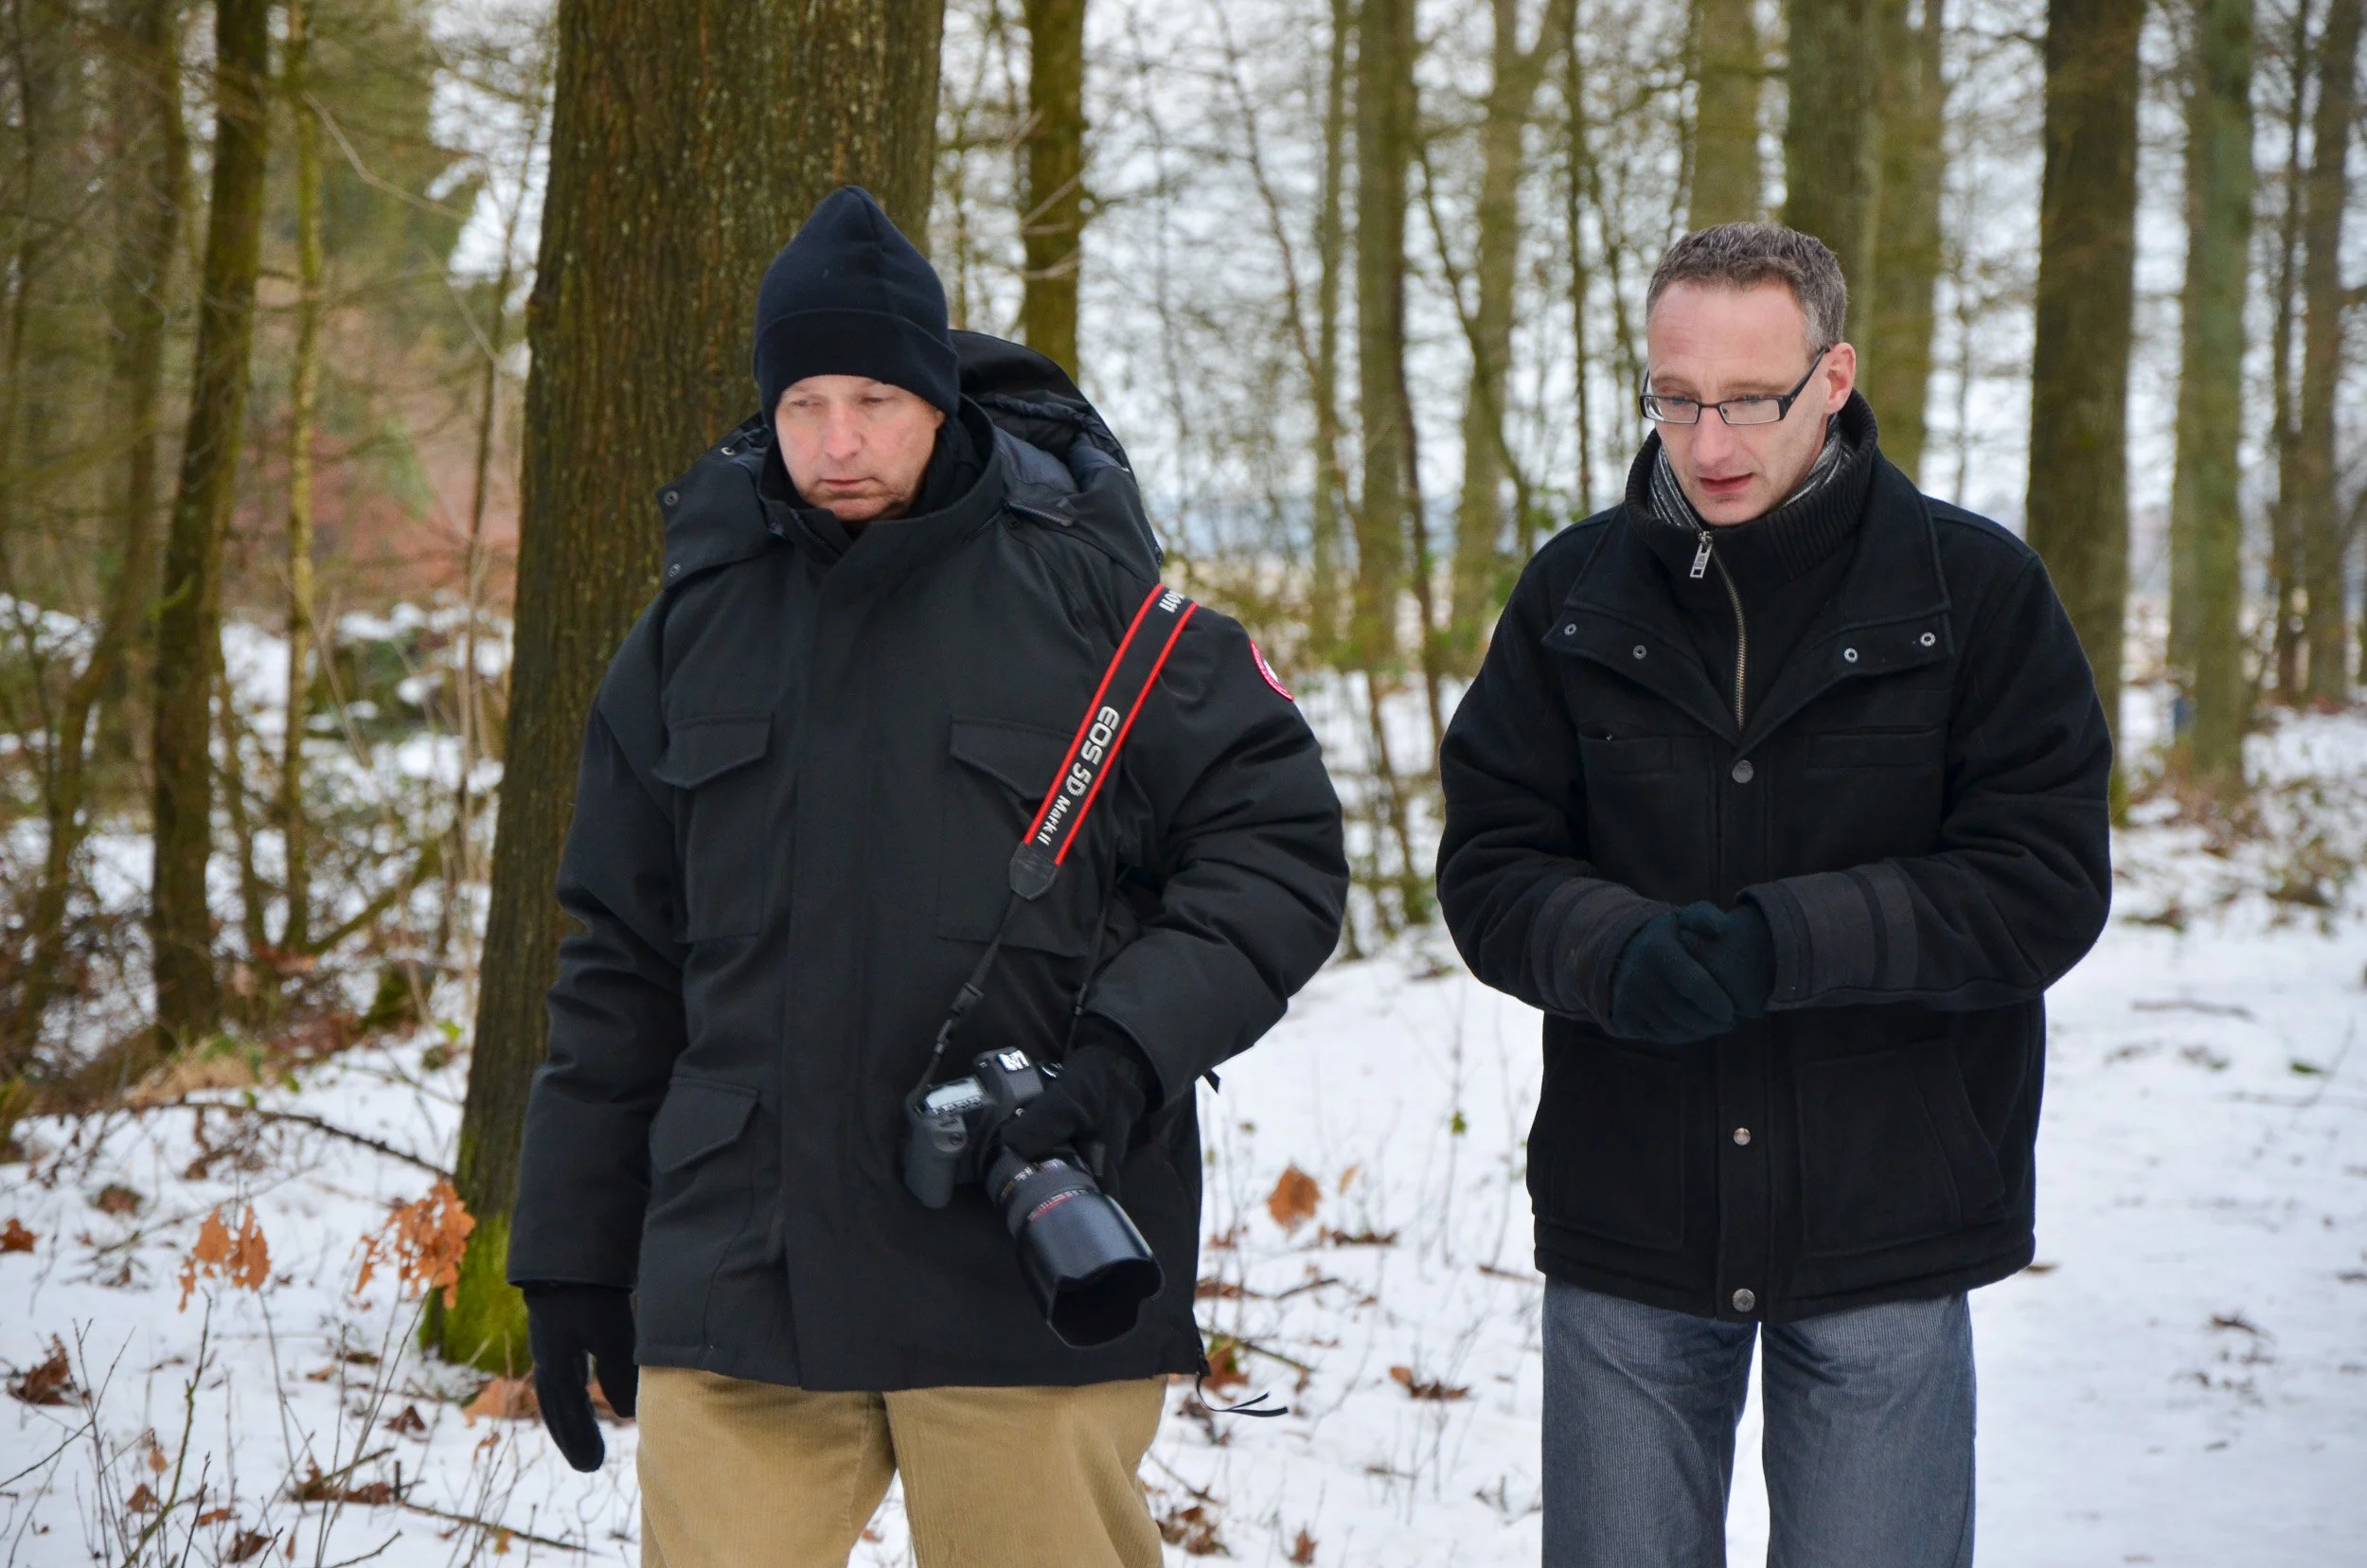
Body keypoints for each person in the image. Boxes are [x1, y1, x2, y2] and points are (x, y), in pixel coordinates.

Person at [505, 186, 1347, 1568]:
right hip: (749, 1268)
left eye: (875, 401)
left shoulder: (1102, 607)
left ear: (938, 398)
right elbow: (620, 960)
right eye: (803, 404)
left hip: (1027, 1263)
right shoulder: (686, 633)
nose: (837, 442)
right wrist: (571, 1246)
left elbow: (1279, 857)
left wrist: (1116, 1065)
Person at [1436, 222, 2112, 1567]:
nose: (1709, 443)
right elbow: (1494, 862)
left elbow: (2040, 881)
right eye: (1675, 399)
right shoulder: (1573, 592)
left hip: (1887, 1216)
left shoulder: (1975, 592)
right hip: (1633, 1214)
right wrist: (1615, 951)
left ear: (1834, 377)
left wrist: (1787, 941)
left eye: (1751, 399)